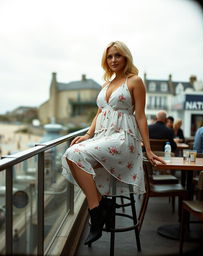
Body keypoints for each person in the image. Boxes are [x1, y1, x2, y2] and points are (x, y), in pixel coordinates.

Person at [61, 41, 166, 246]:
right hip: (102, 136)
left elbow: (141, 117)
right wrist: (88, 135)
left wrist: (148, 149)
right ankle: (101, 206)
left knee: (74, 155)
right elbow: (100, 112)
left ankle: (97, 210)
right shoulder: (106, 85)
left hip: (122, 138)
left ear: (126, 57)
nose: (113, 60)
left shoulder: (134, 81)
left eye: (118, 55)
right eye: (109, 57)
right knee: (72, 154)